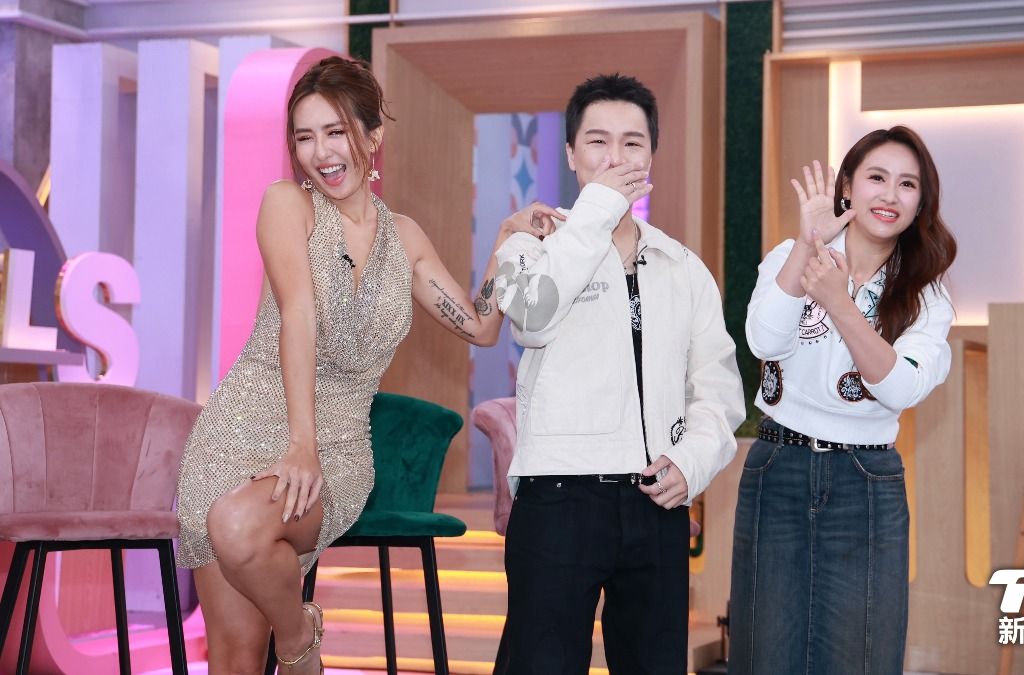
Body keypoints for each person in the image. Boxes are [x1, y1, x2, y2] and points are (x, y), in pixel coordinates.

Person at [174, 56, 540, 674]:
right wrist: (299, 443)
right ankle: (299, 639)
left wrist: (506, 242)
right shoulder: (287, 205)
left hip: (338, 448)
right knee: (234, 655)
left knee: (237, 527)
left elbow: (481, 327)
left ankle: (297, 640)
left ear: (372, 136)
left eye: (335, 131)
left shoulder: (407, 239)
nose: (320, 152)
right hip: (236, 435)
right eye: (304, 136)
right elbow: (298, 316)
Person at [488, 73, 745, 674]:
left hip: (656, 501)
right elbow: (530, 319)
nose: (615, 157)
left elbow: (718, 389)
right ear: (571, 154)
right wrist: (595, 213)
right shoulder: (527, 247)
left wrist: (691, 462)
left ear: (651, 155)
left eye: (633, 143)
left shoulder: (683, 266)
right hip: (558, 498)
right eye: (597, 142)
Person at [729, 126, 957, 674]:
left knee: (860, 656)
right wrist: (806, 244)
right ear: (848, 187)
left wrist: (840, 304)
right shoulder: (792, 255)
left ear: (920, 204)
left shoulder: (926, 295)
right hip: (777, 467)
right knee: (764, 655)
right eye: (877, 178)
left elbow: (898, 388)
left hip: (865, 481)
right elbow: (763, 341)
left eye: (907, 185)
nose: (890, 195)